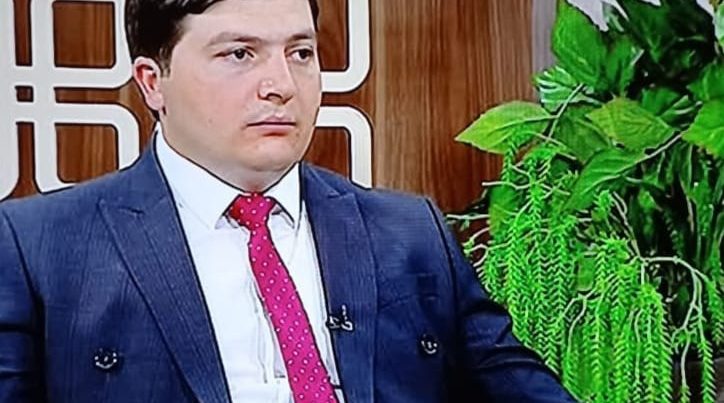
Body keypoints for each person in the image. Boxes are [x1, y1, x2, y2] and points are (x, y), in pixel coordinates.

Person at [0, 0, 576, 401]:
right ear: (153, 81)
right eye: (239, 54)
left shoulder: (410, 231)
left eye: (300, 53)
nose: (281, 85)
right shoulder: (40, 248)